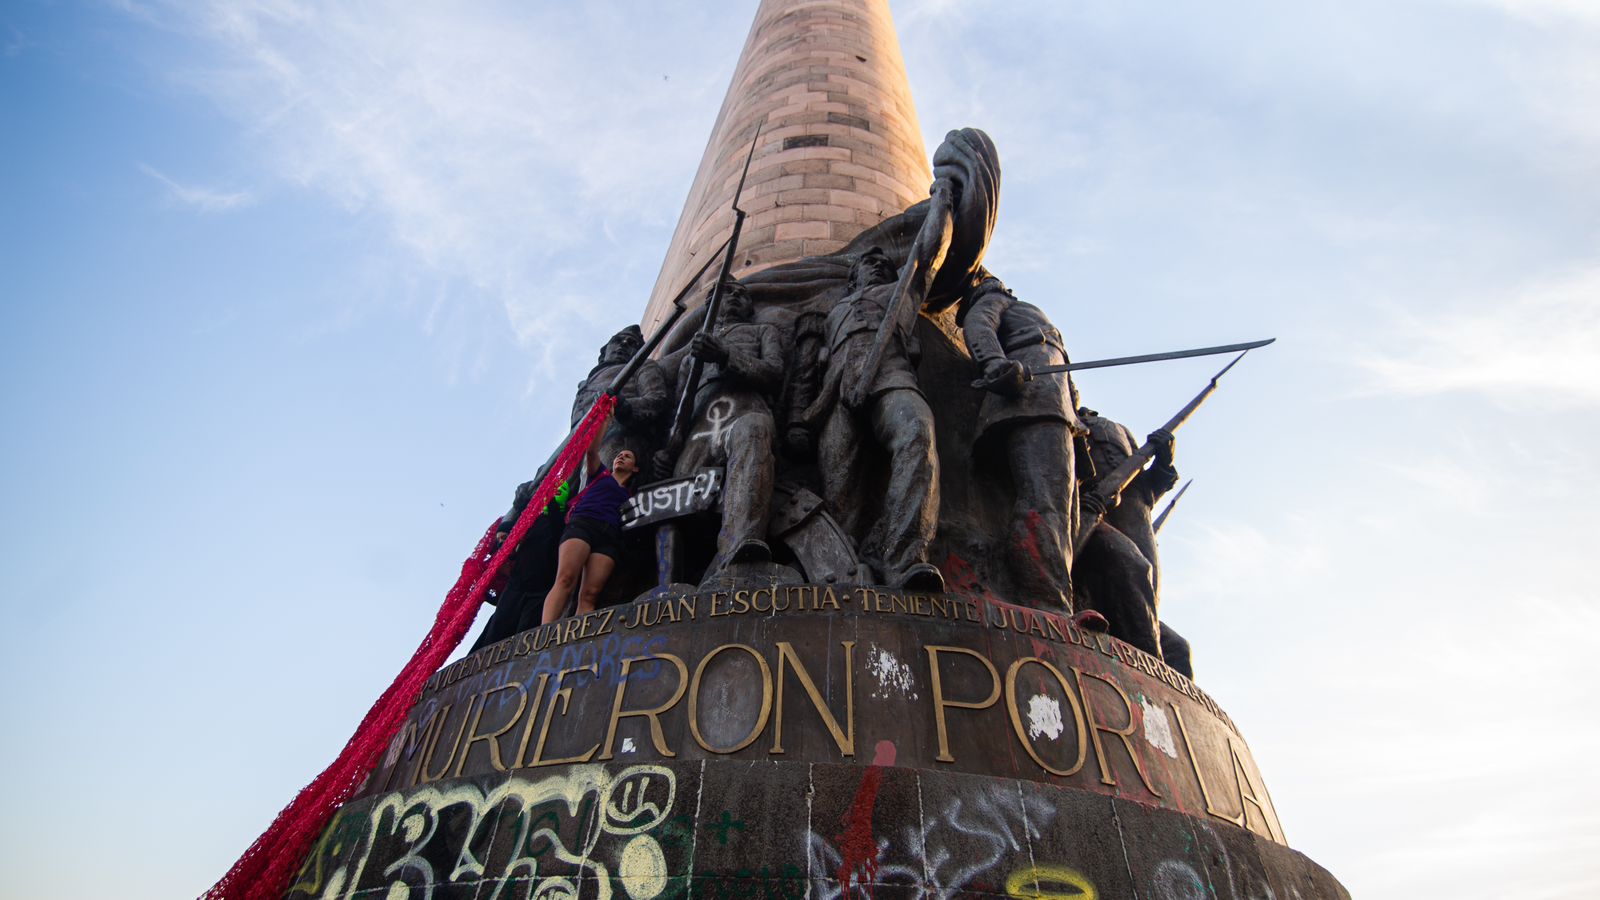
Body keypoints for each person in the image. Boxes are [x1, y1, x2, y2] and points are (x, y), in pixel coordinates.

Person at [797, 247, 943, 591]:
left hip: (890, 375)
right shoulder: (833, 312)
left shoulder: (901, 291)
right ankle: (842, 569)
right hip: (837, 392)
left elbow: (931, 246)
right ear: (853, 277)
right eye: (869, 264)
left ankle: (903, 559)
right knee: (840, 488)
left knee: (917, 434)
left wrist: (943, 201)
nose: (878, 268)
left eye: (884, 265)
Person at [960, 273, 1085, 611]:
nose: (1001, 285)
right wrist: (995, 363)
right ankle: (1047, 601)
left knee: (1062, 510)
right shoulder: (993, 302)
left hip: (1055, 405)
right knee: (1043, 500)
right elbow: (978, 326)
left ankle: (1058, 595)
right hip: (1030, 400)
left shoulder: (1020, 309)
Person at [658, 280, 784, 572]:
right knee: (678, 490)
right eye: (728, 293)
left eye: (742, 295)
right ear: (711, 305)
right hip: (700, 426)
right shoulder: (692, 351)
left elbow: (774, 373)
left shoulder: (763, 331)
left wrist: (726, 355)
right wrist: (668, 448)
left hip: (746, 407)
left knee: (753, 431)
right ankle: (673, 577)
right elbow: (680, 406)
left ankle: (743, 545)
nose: (737, 297)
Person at [1073, 409, 1178, 659]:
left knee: (1178, 648)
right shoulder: (1068, 424)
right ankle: (1151, 671)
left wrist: (1164, 461)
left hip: (1136, 518)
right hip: (1092, 516)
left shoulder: (1118, 431)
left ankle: (1164, 690)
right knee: (1134, 566)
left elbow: (1148, 488)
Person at [540, 446, 641, 624]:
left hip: (609, 537)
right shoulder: (601, 475)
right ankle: (544, 631)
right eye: (619, 455)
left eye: (627, 456)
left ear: (635, 468)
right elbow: (591, 451)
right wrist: (604, 420)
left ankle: (578, 639)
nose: (621, 457)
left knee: (590, 594)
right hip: (584, 524)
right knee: (566, 579)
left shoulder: (630, 496)